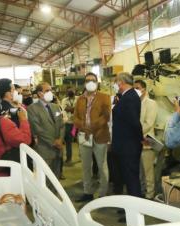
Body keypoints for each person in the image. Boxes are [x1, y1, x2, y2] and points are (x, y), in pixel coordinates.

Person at [73, 73, 111, 202]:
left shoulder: (105, 97)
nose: (90, 82)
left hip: (100, 136)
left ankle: (103, 193)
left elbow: (106, 116)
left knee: (102, 166)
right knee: (86, 166)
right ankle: (87, 192)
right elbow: (75, 117)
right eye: (88, 80)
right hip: (84, 137)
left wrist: (91, 129)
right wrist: (84, 128)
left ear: (97, 83)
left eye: (93, 80)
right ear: (84, 83)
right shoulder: (80, 99)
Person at [112, 72, 143, 199]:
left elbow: (135, 122)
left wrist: (140, 139)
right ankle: (131, 208)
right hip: (126, 145)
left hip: (128, 147)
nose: (115, 84)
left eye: (116, 82)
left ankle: (135, 212)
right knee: (128, 178)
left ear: (121, 82)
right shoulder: (127, 96)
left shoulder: (130, 97)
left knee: (132, 180)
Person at [27, 82, 65, 178]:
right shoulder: (32, 109)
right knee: (44, 179)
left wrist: (60, 140)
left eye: (50, 90)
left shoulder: (55, 107)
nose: (50, 93)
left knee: (55, 178)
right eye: (47, 91)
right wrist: (53, 142)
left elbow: (61, 125)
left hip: (58, 149)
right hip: (45, 149)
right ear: (40, 93)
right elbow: (37, 129)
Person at [134, 80, 157, 200]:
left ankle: (150, 194)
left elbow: (149, 123)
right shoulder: (135, 103)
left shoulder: (151, 103)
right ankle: (142, 191)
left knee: (148, 171)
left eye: (138, 88)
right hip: (135, 142)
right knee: (139, 171)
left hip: (146, 140)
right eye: (134, 88)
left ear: (144, 89)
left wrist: (134, 133)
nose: (136, 90)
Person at [60, 89, 76, 164]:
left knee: (73, 141)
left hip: (76, 124)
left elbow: (79, 109)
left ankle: (70, 158)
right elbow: (64, 109)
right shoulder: (64, 100)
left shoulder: (78, 99)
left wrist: (71, 109)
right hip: (67, 124)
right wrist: (73, 109)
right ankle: (67, 158)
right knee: (67, 141)